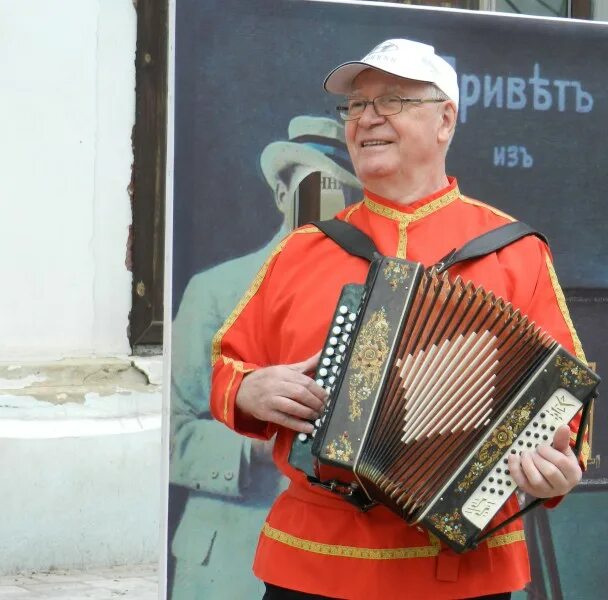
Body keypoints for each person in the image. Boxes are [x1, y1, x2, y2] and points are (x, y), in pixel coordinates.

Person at [210, 38, 586, 600]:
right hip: (316, 561)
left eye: (391, 100)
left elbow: (566, 407)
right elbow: (227, 365)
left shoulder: (514, 251)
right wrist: (247, 391)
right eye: (356, 106)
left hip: (461, 570)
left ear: (445, 120)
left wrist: (558, 468)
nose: (367, 119)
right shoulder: (302, 250)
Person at [169, 116, 361, 599]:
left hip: (338, 558)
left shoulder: (378, 299)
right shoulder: (214, 291)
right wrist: (262, 437)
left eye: (343, 191)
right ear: (281, 193)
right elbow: (168, 435)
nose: (328, 204)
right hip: (230, 563)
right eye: (314, 187)